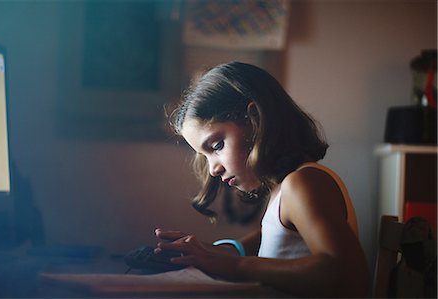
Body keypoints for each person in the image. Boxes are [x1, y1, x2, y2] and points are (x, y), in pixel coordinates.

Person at [155, 61, 370, 297]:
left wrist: (234, 266)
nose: (213, 169)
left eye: (217, 146)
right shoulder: (286, 189)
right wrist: (208, 253)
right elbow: (268, 244)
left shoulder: (304, 183)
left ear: (255, 120)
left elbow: (349, 276)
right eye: (204, 156)